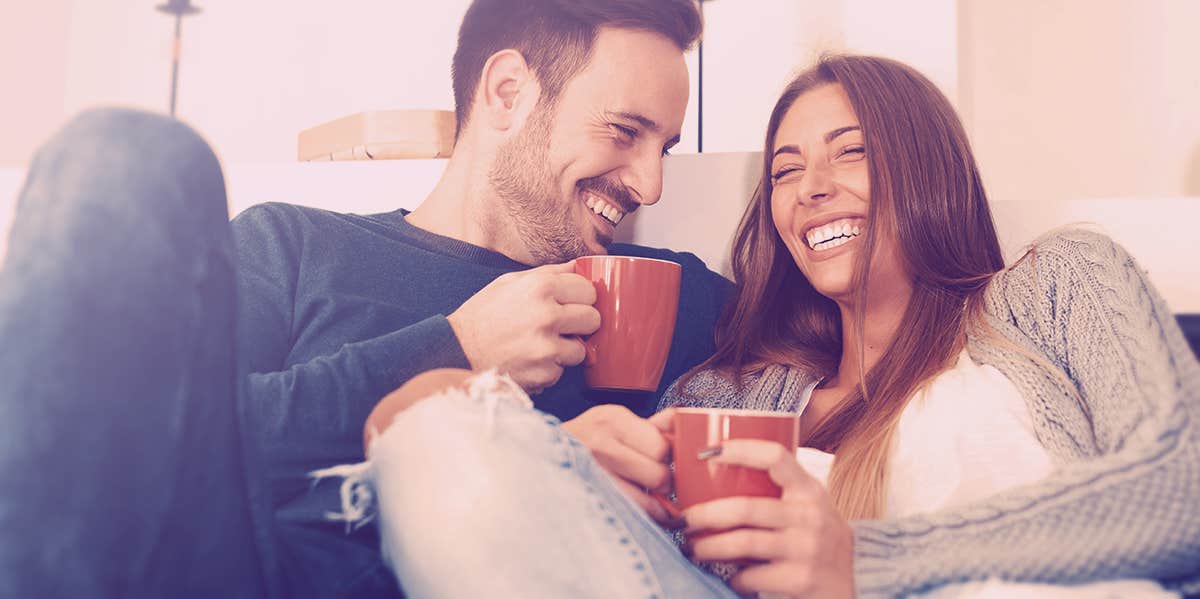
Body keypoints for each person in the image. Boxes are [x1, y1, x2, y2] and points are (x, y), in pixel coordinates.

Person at [353, 54, 1200, 598]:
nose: (810, 187)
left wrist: (864, 563)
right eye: (787, 170)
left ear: (926, 160)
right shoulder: (733, 391)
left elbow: (1185, 492)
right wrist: (582, 464)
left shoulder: (1056, 287)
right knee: (434, 436)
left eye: (851, 151)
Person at [0, 1, 730, 597]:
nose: (648, 184)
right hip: (241, 572)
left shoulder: (659, 292)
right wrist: (457, 347)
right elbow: (148, 442)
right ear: (509, 91)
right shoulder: (292, 248)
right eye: (624, 132)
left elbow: (836, 342)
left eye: (661, 148)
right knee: (123, 155)